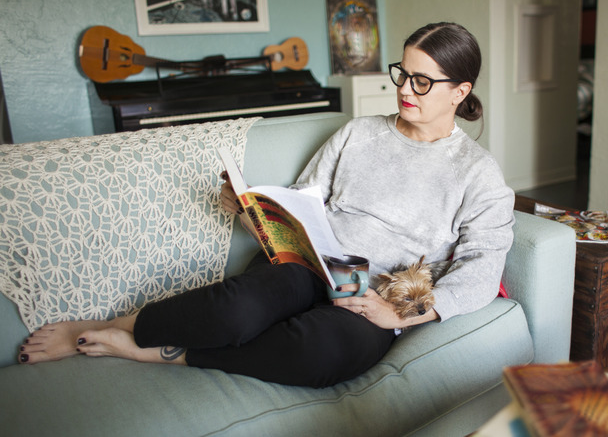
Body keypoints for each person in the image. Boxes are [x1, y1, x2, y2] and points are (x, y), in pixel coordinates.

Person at [17, 22, 515, 388]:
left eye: (422, 81)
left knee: (319, 351)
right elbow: (307, 202)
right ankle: (108, 327)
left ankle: (166, 355)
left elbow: (482, 266)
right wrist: (255, 210)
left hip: (374, 295)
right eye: (401, 74)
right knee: (237, 308)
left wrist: (401, 316)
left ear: (460, 91)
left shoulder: (477, 173)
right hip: (305, 264)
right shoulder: (359, 133)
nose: (405, 89)